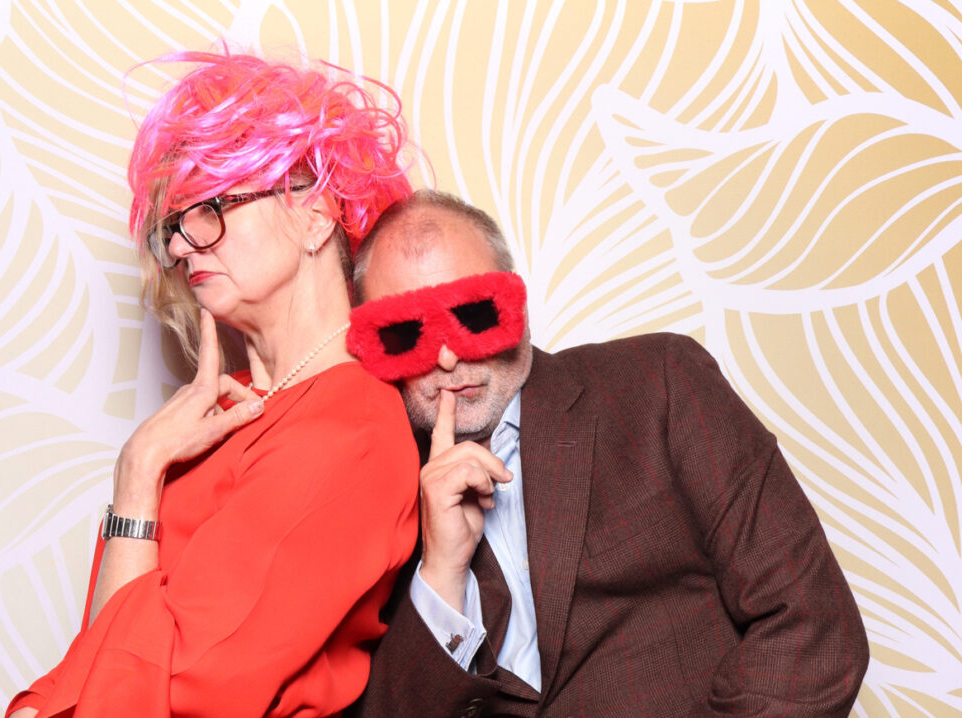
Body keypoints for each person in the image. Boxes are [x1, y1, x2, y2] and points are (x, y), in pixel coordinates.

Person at [345, 190, 870, 717]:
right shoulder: (364, 495)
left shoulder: (659, 385)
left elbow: (814, 628)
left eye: (475, 314)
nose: (447, 355)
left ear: (517, 307)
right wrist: (440, 575)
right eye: (404, 332)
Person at [5, 51, 419, 718]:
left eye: (215, 206)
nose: (178, 246)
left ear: (315, 216)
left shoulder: (352, 427)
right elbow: (113, 648)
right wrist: (139, 475)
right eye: (174, 223)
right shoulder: (216, 409)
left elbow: (185, 686)